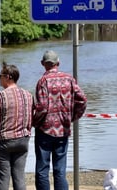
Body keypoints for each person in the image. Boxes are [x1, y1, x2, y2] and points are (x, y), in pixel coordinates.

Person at [32, 50, 87, 190]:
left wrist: (34, 122)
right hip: (63, 129)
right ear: (58, 63)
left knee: (42, 170)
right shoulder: (69, 79)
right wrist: (73, 117)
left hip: (45, 130)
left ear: (42, 64)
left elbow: (43, 107)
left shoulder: (43, 81)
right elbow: (82, 100)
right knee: (60, 170)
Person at [0, 62, 34, 190]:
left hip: (3, 142)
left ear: (8, 77)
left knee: (3, 177)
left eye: (0, 76)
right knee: (19, 177)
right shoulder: (28, 95)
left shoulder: (0, 96)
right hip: (23, 140)